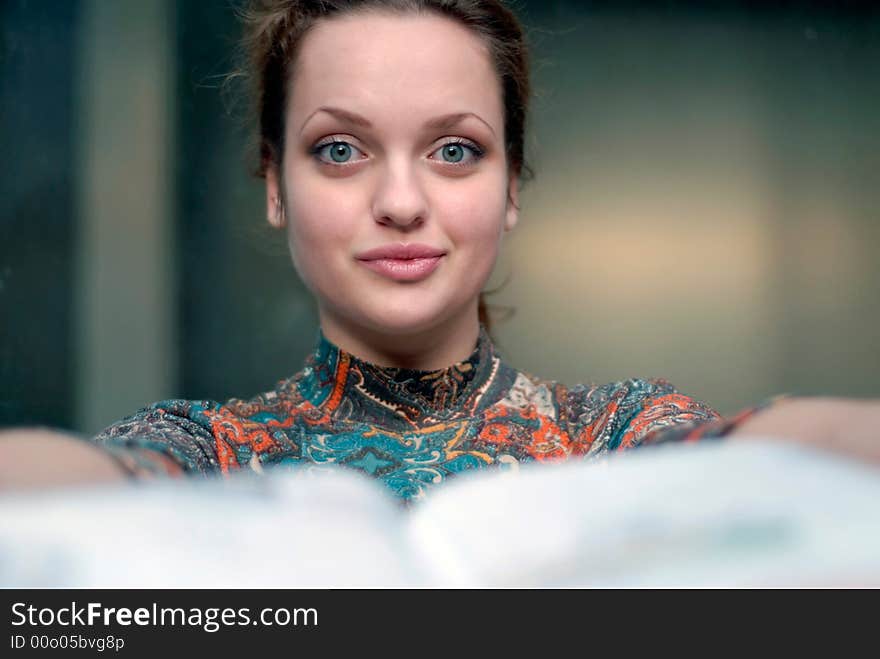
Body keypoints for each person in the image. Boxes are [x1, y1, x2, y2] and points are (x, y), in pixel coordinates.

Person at [1, 0, 877, 500]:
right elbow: (85, 479)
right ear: (274, 185)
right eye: (339, 149)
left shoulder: (612, 437)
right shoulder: (207, 451)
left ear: (511, 187)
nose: (401, 202)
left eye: (454, 150)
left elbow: (766, 448)